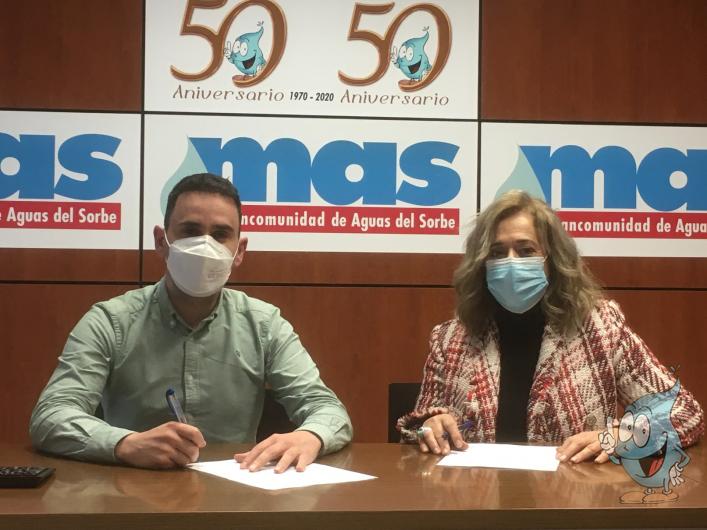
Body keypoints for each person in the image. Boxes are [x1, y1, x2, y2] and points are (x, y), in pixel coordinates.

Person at [30, 173, 352, 472]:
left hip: (236, 494)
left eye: (220, 235)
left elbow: (327, 409)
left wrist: (310, 436)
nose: (205, 245)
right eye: (190, 231)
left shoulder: (265, 324)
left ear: (239, 251)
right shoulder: (110, 321)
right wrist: (124, 444)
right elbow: (51, 416)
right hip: (131, 491)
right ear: (161, 241)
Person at [397, 190, 704, 463]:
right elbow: (419, 426)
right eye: (497, 252)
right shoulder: (451, 338)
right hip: (474, 499)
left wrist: (622, 437)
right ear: (481, 263)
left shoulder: (601, 328)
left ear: (553, 260)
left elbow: (685, 414)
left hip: (573, 499)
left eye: (526, 250)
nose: (511, 262)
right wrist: (427, 427)